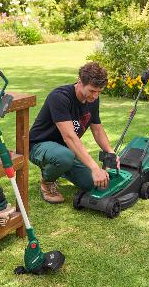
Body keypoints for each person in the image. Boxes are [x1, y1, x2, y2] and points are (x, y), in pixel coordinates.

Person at [28, 61, 119, 203]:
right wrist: (95, 168)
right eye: (92, 91)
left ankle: (60, 168)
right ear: (80, 81)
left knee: (93, 184)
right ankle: (47, 182)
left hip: (66, 150)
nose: (95, 96)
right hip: (39, 145)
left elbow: (97, 129)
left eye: (99, 92)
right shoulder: (59, 97)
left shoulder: (93, 99)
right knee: (64, 157)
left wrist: (111, 152)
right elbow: (69, 137)